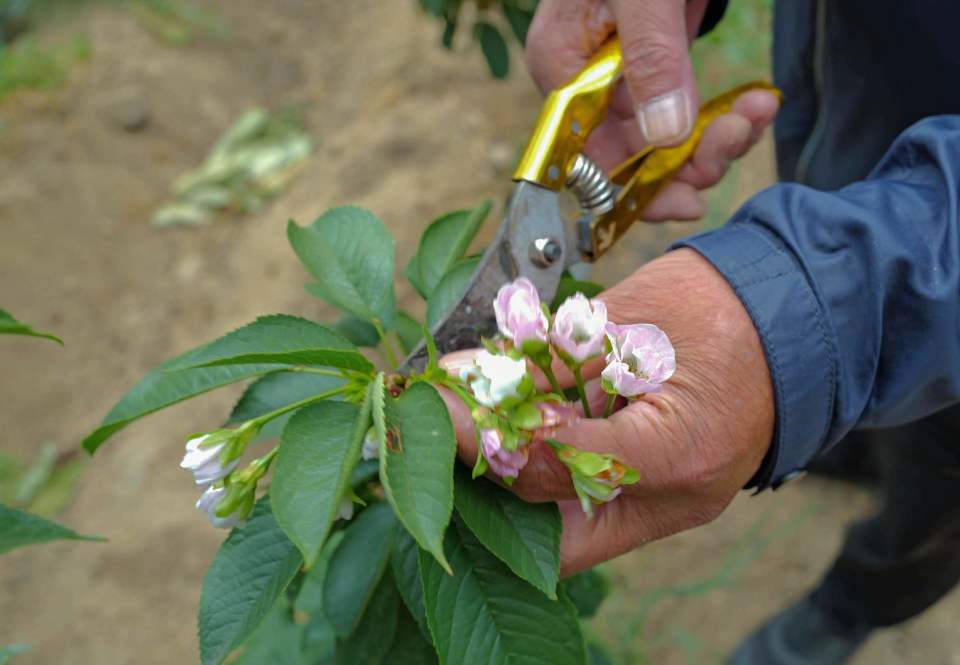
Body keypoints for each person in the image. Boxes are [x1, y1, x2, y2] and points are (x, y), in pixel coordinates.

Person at [440, 1, 960, 663]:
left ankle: (856, 603)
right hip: (855, 74)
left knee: (936, 485)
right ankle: (833, 435)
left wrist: (812, 306)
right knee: (828, 194)